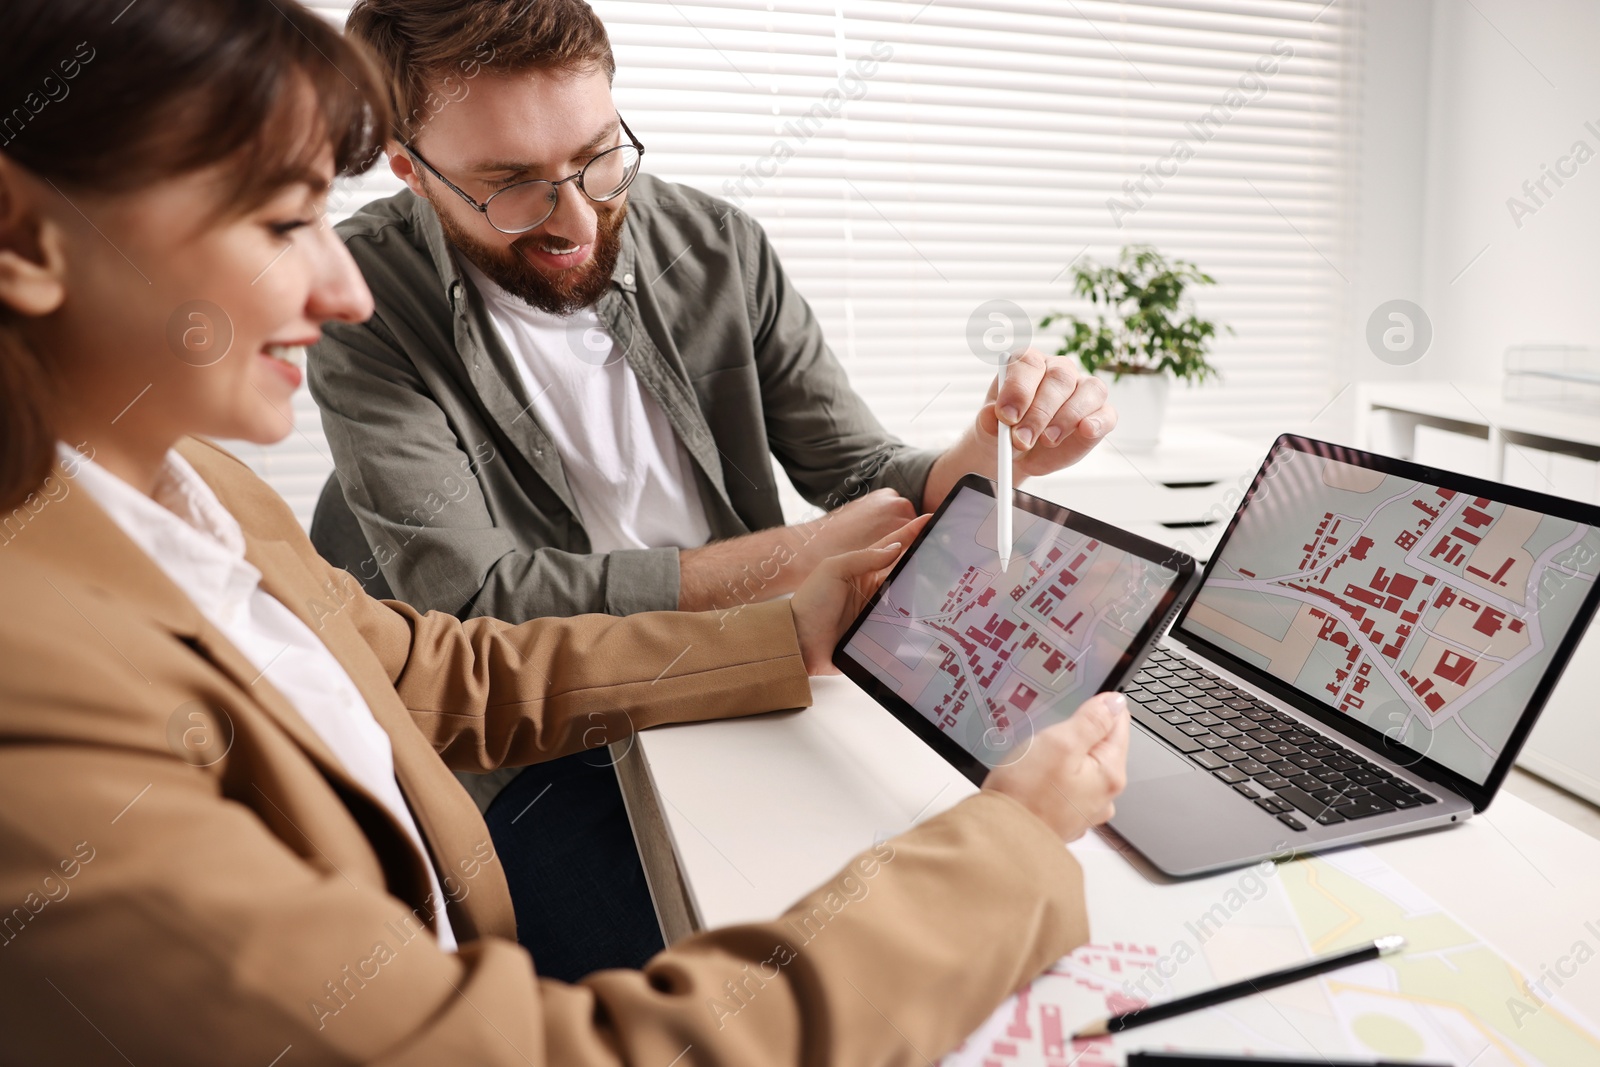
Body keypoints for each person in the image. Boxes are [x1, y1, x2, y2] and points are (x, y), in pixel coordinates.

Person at [0, 1, 1132, 1063]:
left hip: (669, 712)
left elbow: (425, 667)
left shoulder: (191, 482)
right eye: (285, 220)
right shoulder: (36, 680)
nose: (341, 289)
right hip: (535, 790)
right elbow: (481, 610)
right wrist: (1006, 853)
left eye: (598, 158)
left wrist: (920, 514)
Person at [306, 0, 1120, 975]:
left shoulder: (716, 244)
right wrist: (787, 558)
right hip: (544, 734)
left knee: (957, 899)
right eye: (510, 185)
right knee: (716, 978)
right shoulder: (357, 296)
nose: (576, 216)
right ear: (408, 168)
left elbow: (859, 472)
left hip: (761, 666)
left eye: (598, 156)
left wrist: (986, 453)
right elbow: (474, 605)